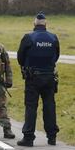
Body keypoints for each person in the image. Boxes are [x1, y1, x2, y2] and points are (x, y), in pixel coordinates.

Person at [16, 12, 60, 147]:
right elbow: (56, 55)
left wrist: (27, 66)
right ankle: (52, 137)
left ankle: (28, 138)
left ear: (34, 24)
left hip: (33, 77)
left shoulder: (28, 37)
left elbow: (20, 57)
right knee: (49, 106)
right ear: (45, 24)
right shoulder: (53, 38)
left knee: (31, 107)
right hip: (49, 77)